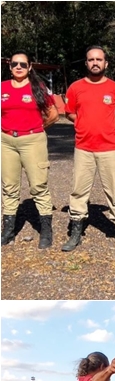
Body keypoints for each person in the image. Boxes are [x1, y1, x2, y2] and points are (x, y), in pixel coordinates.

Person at [61, 46, 115, 252]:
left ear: (106, 63)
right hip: (84, 148)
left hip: (109, 148)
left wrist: (107, 127)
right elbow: (70, 113)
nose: (95, 63)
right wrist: (84, 124)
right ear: (86, 63)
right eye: (91, 60)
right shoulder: (75, 88)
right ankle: (75, 232)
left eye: (99, 60)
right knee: (78, 191)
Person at [1, 50, 59, 248]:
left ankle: (45, 231)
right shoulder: (2, 88)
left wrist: (37, 128)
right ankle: (8, 230)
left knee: (38, 186)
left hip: (32, 140)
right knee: (9, 187)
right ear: (9, 67)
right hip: (7, 141)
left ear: (30, 67)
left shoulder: (38, 88)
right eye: (15, 64)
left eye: (23, 64)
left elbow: (53, 114)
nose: (19, 67)